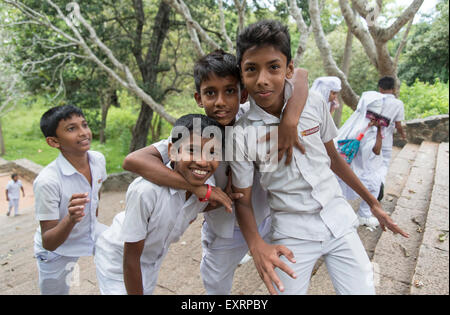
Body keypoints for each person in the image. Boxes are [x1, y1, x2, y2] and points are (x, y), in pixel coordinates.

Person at [229, 19, 409, 295]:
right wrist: (256, 245)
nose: (262, 79)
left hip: (338, 220)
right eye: (251, 69)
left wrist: (373, 203)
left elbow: (334, 159)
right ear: (242, 75)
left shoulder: (312, 103)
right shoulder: (241, 135)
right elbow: (241, 197)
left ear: (289, 69)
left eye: (274, 67)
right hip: (292, 233)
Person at [122, 49, 309, 294]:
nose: (220, 102)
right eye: (211, 93)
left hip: (268, 218)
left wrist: (290, 120)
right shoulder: (196, 133)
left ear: (243, 94)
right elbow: (134, 160)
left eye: (230, 91)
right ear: (199, 99)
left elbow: (301, 75)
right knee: (217, 287)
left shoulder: (254, 118)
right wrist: (200, 189)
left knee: (286, 279)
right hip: (224, 230)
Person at [94, 114, 229, 295]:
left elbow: (199, 206)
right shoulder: (145, 192)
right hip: (118, 261)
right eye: (192, 150)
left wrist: (228, 198)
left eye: (212, 153)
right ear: (172, 152)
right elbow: (130, 259)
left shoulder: (207, 185)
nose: (203, 161)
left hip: (151, 259)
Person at [33, 105, 107, 295]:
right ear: (53, 142)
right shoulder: (47, 181)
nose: (83, 133)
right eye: (71, 128)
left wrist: (93, 222)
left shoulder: (97, 160)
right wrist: (71, 218)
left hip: (90, 233)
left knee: (124, 248)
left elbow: (96, 193)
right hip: (57, 250)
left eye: (84, 125)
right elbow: (49, 241)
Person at [336, 88, 403, 228]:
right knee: (374, 185)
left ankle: (343, 214)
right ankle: (363, 215)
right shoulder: (371, 127)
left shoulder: (355, 122)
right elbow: (376, 150)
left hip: (349, 165)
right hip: (363, 167)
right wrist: (379, 130)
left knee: (341, 190)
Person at [377, 76, 407, 184]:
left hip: (371, 138)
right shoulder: (398, 104)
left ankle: (371, 186)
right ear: (393, 89)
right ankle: (380, 184)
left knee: (371, 163)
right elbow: (398, 124)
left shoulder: (375, 100)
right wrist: (403, 134)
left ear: (380, 88)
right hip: (386, 139)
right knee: (384, 163)